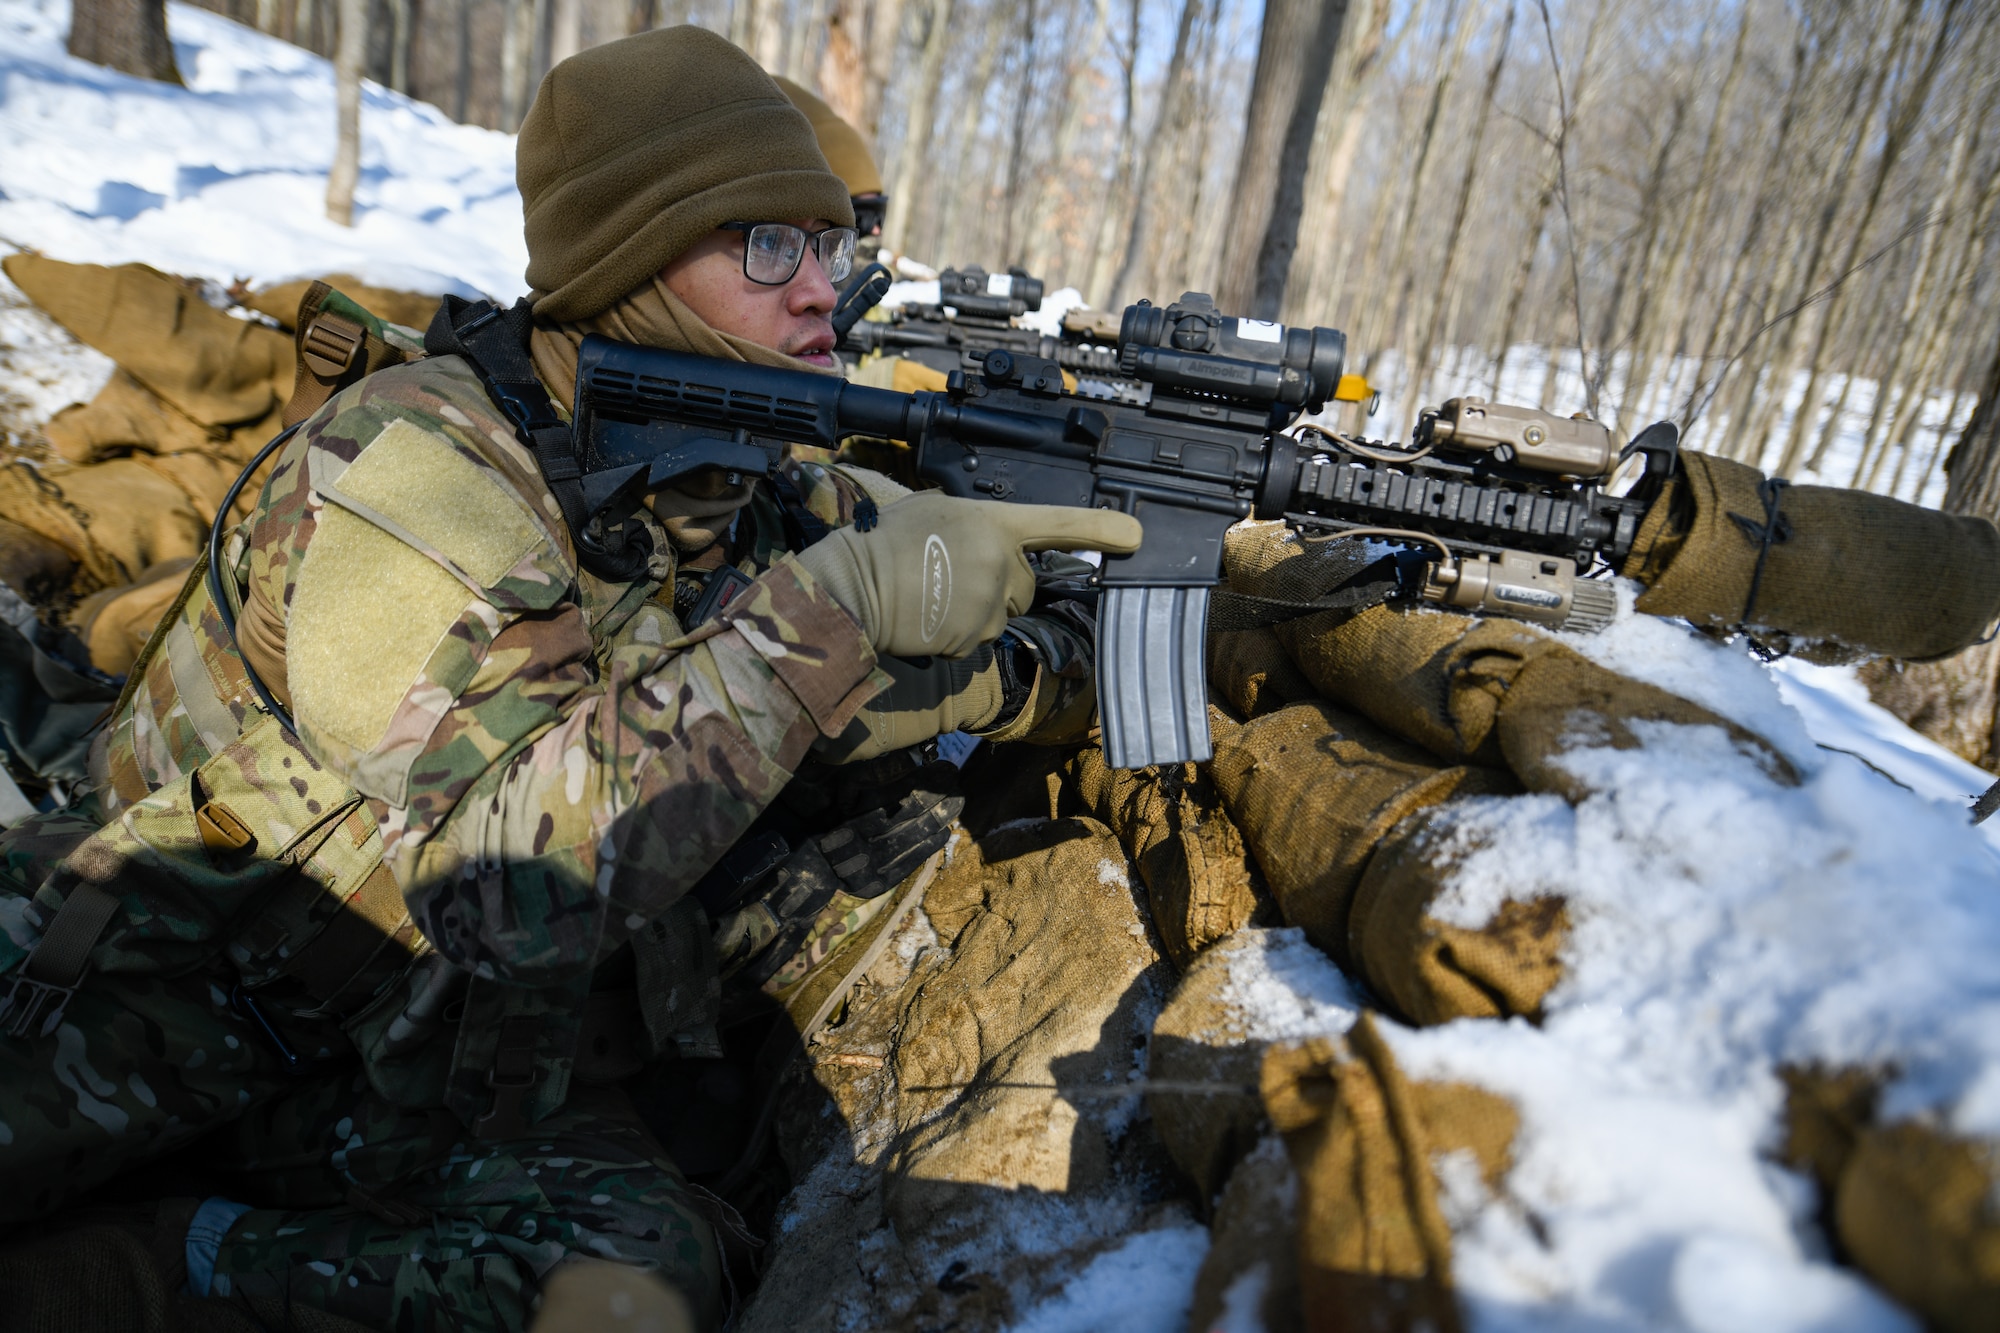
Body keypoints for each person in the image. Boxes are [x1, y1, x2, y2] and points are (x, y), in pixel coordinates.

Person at [0, 26, 1136, 1332]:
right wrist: (849, 608)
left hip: (415, 1069)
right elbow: (495, 884)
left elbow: (825, 681)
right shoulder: (410, 474)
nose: (823, 288)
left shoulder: (724, 471)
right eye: (768, 245)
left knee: (632, 1290)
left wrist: (1068, 641)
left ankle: (177, 1259)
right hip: (146, 1008)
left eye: (832, 245)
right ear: (630, 261)